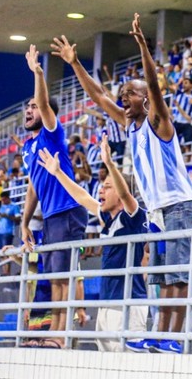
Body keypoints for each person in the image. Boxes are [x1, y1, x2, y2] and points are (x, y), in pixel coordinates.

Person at [51, 16, 192, 354]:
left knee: (178, 277)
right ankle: (161, 334)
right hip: (157, 209)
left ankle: (174, 337)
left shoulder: (159, 123)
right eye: (124, 93)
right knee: (161, 279)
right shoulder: (130, 127)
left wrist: (144, 47)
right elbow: (99, 97)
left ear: (145, 100)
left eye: (131, 93)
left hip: (178, 204)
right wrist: (75, 64)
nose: (123, 96)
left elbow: (155, 87)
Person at [38, 136, 148, 352]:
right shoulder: (107, 219)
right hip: (107, 302)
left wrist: (109, 163)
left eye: (107, 187)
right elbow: (82, 197)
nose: (101, 190)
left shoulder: (133, 216)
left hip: (129, 303)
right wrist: (58, 173)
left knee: (129, 366)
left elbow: (126, 193)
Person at [18, 45, 89, 349]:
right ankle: (53, 332)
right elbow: (34, 186)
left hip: (68, 210)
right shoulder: (28, 148)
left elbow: (46, 105)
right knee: (54, 276)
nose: (29, 110)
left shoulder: (52, 134)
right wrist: (24, 223)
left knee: (63, 277)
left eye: (34, 106)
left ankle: (60, 335)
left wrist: (38, 72)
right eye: (28, 107)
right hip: (49, 217)